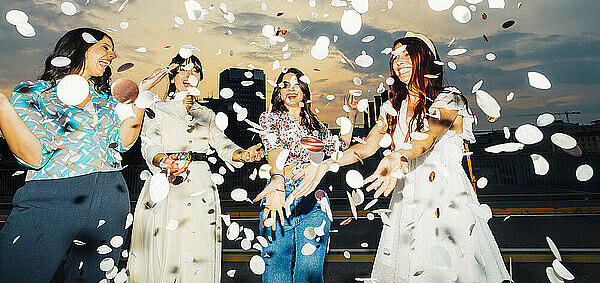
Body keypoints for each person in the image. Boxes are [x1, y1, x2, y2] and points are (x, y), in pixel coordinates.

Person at [291, 33, 512, 283]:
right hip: (405, 202)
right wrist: (327, 164)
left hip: (445, 201)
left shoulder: (450, 99)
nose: (399, 61)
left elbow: (426, 139)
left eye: (407, 55)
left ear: (426, 59)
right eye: (395, 57)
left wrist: (398, 155)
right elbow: (365, 147)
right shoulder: (392, 107)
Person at [0, 27, 169, 282]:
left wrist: (138, 100)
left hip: (111, 198)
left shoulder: (107, 99)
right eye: (105, 47)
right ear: (80, 47)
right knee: (17, 274)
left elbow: (123, 143)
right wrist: (2, 106)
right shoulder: (33, 92)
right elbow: (33, 157)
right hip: (50, 197)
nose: (113, 55)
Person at [127, 53, 264, 283]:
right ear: (172, 77)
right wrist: (164, 161)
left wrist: (244, 154)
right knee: (166, 250)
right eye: (182, 70)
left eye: (194, 71)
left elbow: (223, 144)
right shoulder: (157, 108)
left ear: (200, 78)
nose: (188, 75)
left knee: (197, 249)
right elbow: (149, 144)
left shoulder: (207, 114)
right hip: (165, 184)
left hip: (200, 184)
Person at [253, 67, 358, 283]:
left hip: (315, 198)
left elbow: (339, 147)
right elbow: (273, 151)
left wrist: (351, 116)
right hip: (281, 193)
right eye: (285, 85)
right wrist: (278, 179)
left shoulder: (315, 125)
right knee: (275, 267)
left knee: (310, 270)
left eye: (296, 84)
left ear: (304, 91)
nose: (291, 88)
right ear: (279, 93)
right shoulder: (269, 118)